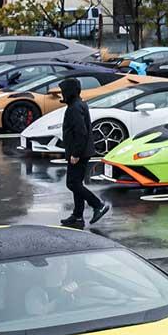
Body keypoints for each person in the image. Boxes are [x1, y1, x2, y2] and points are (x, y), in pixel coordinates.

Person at [58, 78, 111, 228]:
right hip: (80, 151)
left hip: (79, 153)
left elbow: (81, 133)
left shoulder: (75, 108)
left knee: (72, 183)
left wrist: (75, 153)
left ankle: (97, 204)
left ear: (69, 91)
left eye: (63, 91)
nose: (62, 94)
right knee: (76, 183)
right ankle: (77, 215)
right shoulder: (78, 104)